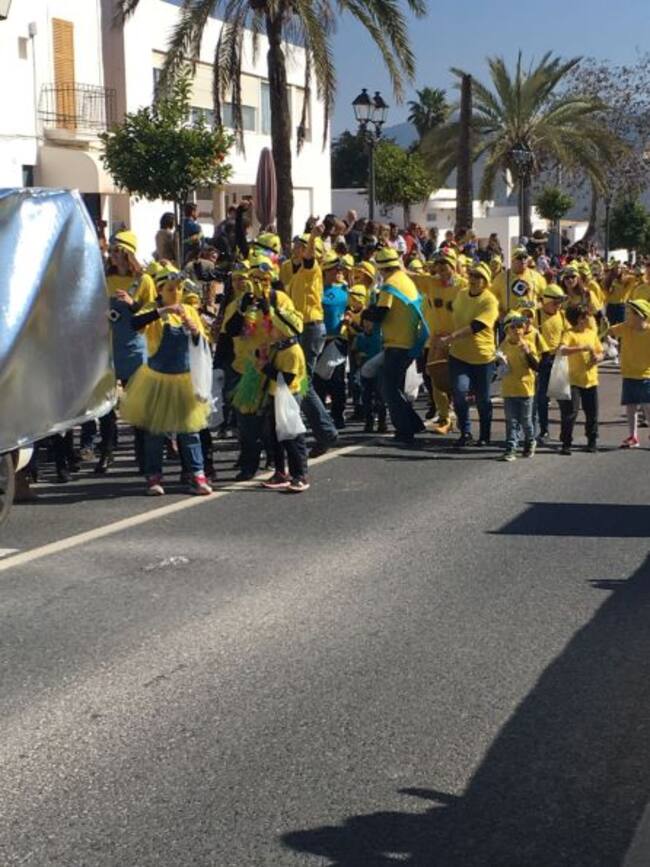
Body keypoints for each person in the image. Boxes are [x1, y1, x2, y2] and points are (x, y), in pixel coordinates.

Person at [120, 266, 213, 496]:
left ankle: (197, 474)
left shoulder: (190, 310)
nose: (176, 292)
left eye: (179, 288)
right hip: (157, 380)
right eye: (171, 288)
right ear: (160, 290)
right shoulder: (154, 309)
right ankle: (154, 477)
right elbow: (134, 324)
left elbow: (203, 344)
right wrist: (162, 311)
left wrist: (194, 332)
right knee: (154, 433)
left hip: (183, 379)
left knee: (189, 431)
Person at [96, 230, 157, 475]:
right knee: (106, 405)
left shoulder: (144, 281)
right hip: (107, 349)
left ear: (129, 253)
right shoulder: (103, 279)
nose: (114, 255)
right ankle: (107, 450)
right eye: (112, 250)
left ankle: (141, 452)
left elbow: (153, 313)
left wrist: (134, 305)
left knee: (137, 403)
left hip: (134, 348)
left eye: (119, 250)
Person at [286, 224, 339, 456]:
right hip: (304, 329)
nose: (296, 248)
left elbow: (308, 257)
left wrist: (315, 237)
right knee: (303, 382)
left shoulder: (312, 268)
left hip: (310, 329)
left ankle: (325, 431)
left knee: (303, 382)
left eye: (300, 245)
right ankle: (323, 431)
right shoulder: (297, 273)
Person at [367, 246, 426, 445]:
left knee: (388, 386)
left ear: (382, 268)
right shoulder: (405, 280)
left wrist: (366, 314)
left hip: (397, 344)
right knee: (393, 385)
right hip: (409, 341)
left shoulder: (389, 285)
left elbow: (382, 312)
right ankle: (413, 423)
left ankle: (404, 431)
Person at [440, 261, 499, 448]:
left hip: (482, 357)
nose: (473, 280)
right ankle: (465, 432)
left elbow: (477, 326)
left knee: (482, 398)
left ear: (486, 281)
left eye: (478, 277)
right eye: (472, 276)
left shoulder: (490, 300)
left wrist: (452, 337)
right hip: (459, 355)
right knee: (459, 392)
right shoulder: (462, 294)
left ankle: (485, 434)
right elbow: (454, 316)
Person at [257, 306, 310, 493]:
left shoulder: (293, 352)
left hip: (288, 397)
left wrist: (265, 368)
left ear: (283, 330)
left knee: (291, 437)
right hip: (275, 394)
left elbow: (287, 379)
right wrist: (262, 355)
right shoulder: (280, 347)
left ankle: (300, 475)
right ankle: (280, 472)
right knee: (274, 436)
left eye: (273, 326)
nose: (269, 330)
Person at [557, 304, 604, 455]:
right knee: (571, 413)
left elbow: (600, 352)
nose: (587, 318)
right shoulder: (569, 334)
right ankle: (566, 442)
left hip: (590, 380)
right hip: (573, 380)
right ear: (576, 319)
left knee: (592, 413)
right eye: (583, 317)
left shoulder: (591, 333)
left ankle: (592, 441)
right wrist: (580, 348)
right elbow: (562, 350)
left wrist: (597, 357)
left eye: (587, 316)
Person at [313, 252, 349, 430]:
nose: (339, 271)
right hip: (320, 341)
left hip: (337, 341)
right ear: (326, 271)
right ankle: (319, 416)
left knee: (337, 381)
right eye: (335, 269)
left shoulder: (344, 290)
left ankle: (338, 415)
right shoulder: (316, 290)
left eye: (340, 269)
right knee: (318, 381)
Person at [498, 311, 540, 461]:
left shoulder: (528, 344)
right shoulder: (503, 345)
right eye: (513, 327)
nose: (517, 331)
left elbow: (536, 366)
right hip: (509, 389)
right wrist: (499, 362)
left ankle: (530, 440)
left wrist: (528, 353)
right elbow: (499, 364)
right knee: (511, 420)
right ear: (507, 330)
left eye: (520, 327)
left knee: (526, 420)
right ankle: (511, 448)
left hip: (525, 389)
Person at [608, 299, 650, 448]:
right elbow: (609, 331)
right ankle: (633, 436)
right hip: (628, 374)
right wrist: (609, 340)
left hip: (646, 375)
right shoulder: (626, 327)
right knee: (631, 407)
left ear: (641, 315)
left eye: (630, 313)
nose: (627, 316)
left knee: (647, 406)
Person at [534, 284, 568, 443]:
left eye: (560, 302)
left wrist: (564, 344)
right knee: (542, 398)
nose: (558, 306)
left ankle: (565, 431)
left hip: (559, 359)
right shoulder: (536, 316)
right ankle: (544, 430)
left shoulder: (562, 315)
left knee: (563, 397)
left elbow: (568, 333)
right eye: (556, 302)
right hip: (543, 360)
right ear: (546, 301)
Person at [354, 310, 387, 433]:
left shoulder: (380, 338)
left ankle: (382, 422)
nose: (367, 324)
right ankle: (369, 422)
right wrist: (358, 355)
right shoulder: (360, 337)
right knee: (366, 397)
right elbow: (355, 353)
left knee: (380, 397)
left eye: (370, 322)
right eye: (365, 321)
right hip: (364, 371)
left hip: (379, 372)